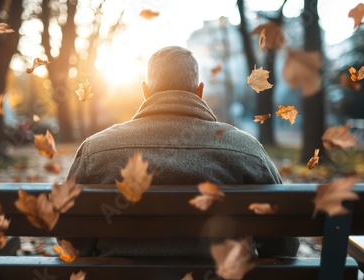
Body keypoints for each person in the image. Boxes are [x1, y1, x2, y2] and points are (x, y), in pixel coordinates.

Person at [65, 46, 299, 258]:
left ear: (146, 91)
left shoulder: (94, 151)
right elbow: (284, 245)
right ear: (199, 91)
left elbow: (72, 241)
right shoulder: (247, 151)